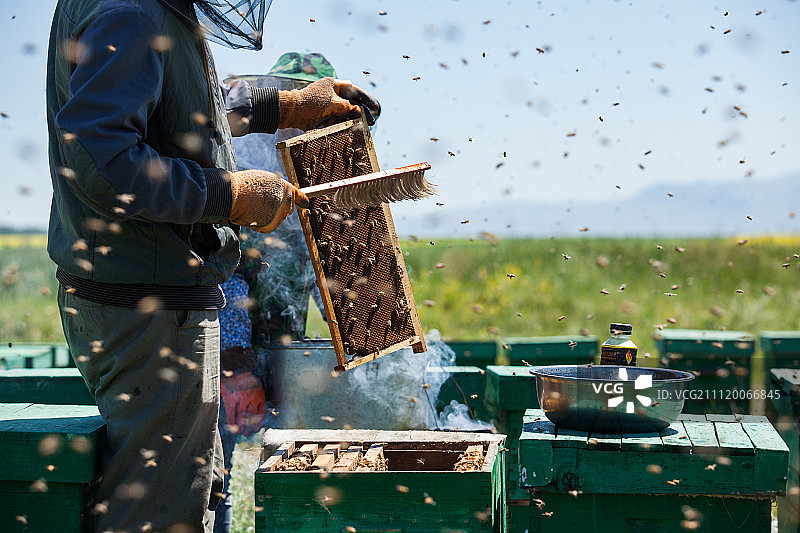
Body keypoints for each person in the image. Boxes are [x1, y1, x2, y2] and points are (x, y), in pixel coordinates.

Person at [46, 0, 380, 531]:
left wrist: (280, 107)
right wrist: (228, 194)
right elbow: (100, 160)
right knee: (159, 512)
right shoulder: (131, 10)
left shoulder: (149, 12)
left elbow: (184, 114)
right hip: (151, 305)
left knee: (195, 490)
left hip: (161, 298)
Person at [213, 51, 372, 533]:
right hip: (220, 345)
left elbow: (337, 273)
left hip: (287, 343)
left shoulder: (326, 172)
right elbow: (221, 264)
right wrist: (236, 360)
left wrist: (366, 330)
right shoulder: (241, 166)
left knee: (289, 471)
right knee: (210, 470)